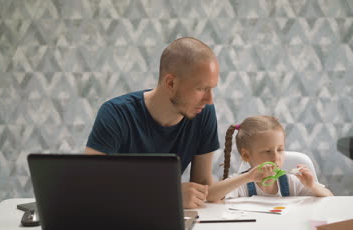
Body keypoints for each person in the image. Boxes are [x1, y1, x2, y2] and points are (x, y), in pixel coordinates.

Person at [85, 37, 220, 209]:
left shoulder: (203, 113)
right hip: (117, 219)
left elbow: (202, 183)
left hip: (163, 219)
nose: (209, 100)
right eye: (201, 89)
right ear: (171, 83)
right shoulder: (115, 113)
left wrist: (248, 179)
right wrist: (170, 195)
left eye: (211, 89)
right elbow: (91, 185)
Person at [208, 115, 333, 200]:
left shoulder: (291, 182)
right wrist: (247, 177)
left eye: (280, 150)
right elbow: (210, 195)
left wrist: (311, 185)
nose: (275, 157)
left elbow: (330, 198)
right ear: (246, 155)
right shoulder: (242, 184)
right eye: (267, 151)